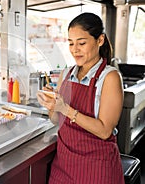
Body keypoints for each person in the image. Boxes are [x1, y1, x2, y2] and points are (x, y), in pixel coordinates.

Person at [37, 12, 124, 184]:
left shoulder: (110, 78)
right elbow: (56, 120)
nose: (74, 49)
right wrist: (52, 106)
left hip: (97, 168)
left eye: (81, 43)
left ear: (100, 40)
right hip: (63, 165)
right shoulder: (66, 74)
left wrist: (66, 109)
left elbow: (104, 130)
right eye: (70, 43)